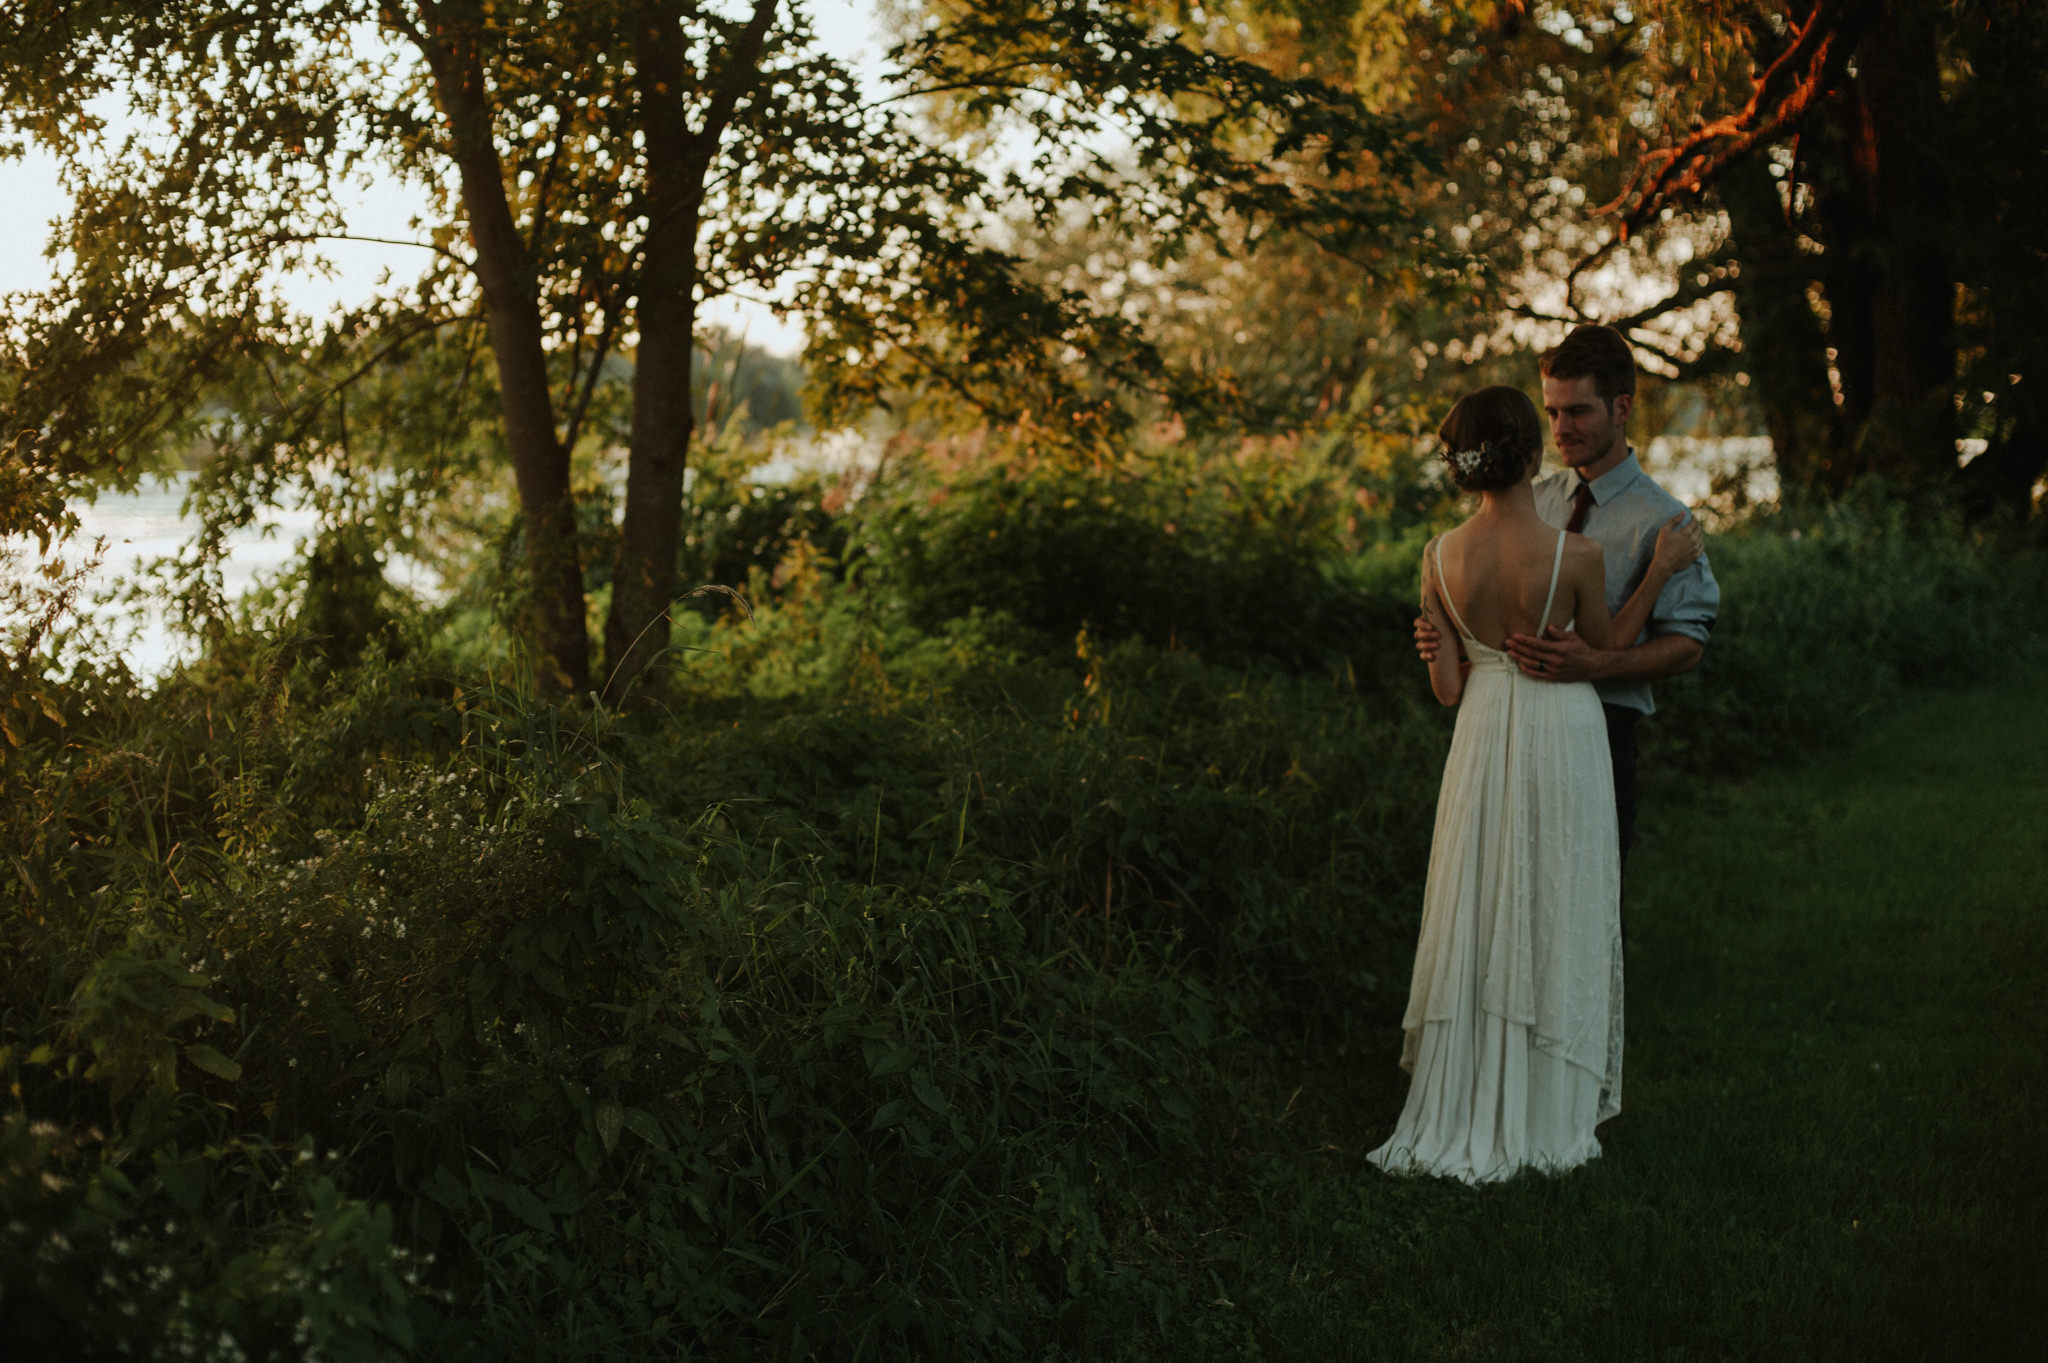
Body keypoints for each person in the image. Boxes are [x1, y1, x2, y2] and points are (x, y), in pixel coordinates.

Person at [1367, 385, 1702, 1184]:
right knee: (1558, 897)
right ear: (1531, 455)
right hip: (1561, 729)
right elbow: (1610, 644)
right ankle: (1549, 1095)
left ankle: (1475, 1090)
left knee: (1482, 899)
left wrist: (1434, 642)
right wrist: (1658, 571)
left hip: (1480, 731)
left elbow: (1446, 688)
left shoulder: (1438, 557)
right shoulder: (1574, 555)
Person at [1414, 324, 1719, 861]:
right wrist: (1446, 638)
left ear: (1621, 408)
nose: (1561, 428)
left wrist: (1593, 667)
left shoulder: (1666, 522)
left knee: (1584, 900)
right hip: (1502, 732)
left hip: (1600, 732)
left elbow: (1688, 645)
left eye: (1577, 411)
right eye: (1552, 412)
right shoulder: (1531, 497)